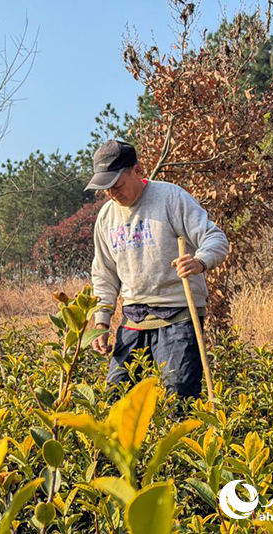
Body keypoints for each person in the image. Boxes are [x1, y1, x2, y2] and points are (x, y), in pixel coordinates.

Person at [87, 139, 229, 399]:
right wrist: (101, 320)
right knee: (117, 398)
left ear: (137, 171)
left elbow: (216, 238)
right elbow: (104, 274)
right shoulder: (106, 217)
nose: (112, 194)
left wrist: (199, 261)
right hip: (133, 317)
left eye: (117, 185)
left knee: (178, 400)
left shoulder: (170, 198)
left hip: (179, 314)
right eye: (105, 189)